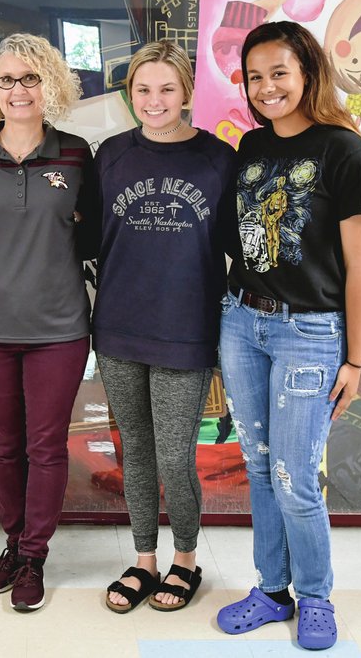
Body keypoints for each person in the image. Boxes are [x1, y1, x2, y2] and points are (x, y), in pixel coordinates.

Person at [216, 21, 361, 650]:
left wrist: (356, 361)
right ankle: (272, 587)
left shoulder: (345, 151)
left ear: (307, 71)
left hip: (309, 333)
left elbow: (360, 267)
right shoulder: (251, 150)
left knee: (294, 476)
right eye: (255, 77)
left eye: (278, 72)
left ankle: (316, 597)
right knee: (257, 467)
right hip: (242, 322)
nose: (266, 87)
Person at [0, 33, 99, 612]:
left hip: (59, 329)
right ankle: (12, 543)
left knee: (46, 445)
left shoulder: (76, 153)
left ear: (50, 85)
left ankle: (35, 555)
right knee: (6, 445)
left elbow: (92, 236)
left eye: (30, 78)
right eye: (6, 80)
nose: (18, 90)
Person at [93, 41, 237, 614]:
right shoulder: (110, 156)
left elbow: (234, 245)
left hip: (186, 329)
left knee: (175, 457)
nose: (154, 101)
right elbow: (89, 242)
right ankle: (144, 559)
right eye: (143, 90)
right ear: (130, 94)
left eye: (167, 89)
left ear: (187, 92)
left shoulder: (218, 159)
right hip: (120, 328)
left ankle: (185, 559)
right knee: (137, 454)